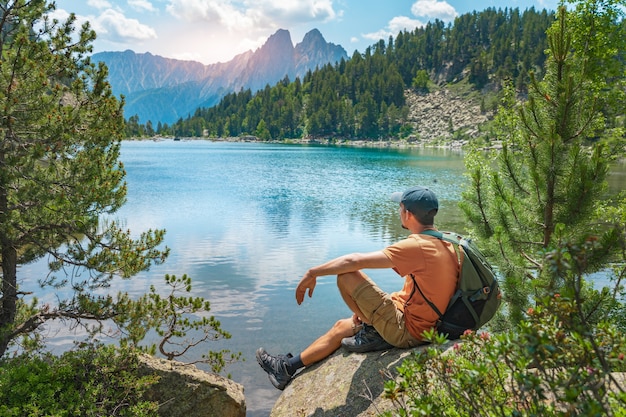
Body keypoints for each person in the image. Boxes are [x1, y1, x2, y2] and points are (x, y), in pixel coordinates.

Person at [256, 185, 459, 390]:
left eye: (399, 208)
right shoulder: (446, 243)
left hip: (408, 330)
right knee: (341, 327)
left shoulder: (417, 245)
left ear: (407, 213)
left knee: (346, 275)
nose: (399, 212)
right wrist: (365, 311)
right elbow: (421, 293)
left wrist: (312, 273)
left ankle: (371, 329)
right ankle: (287, 368)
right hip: (423, 323)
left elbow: (353, 261)